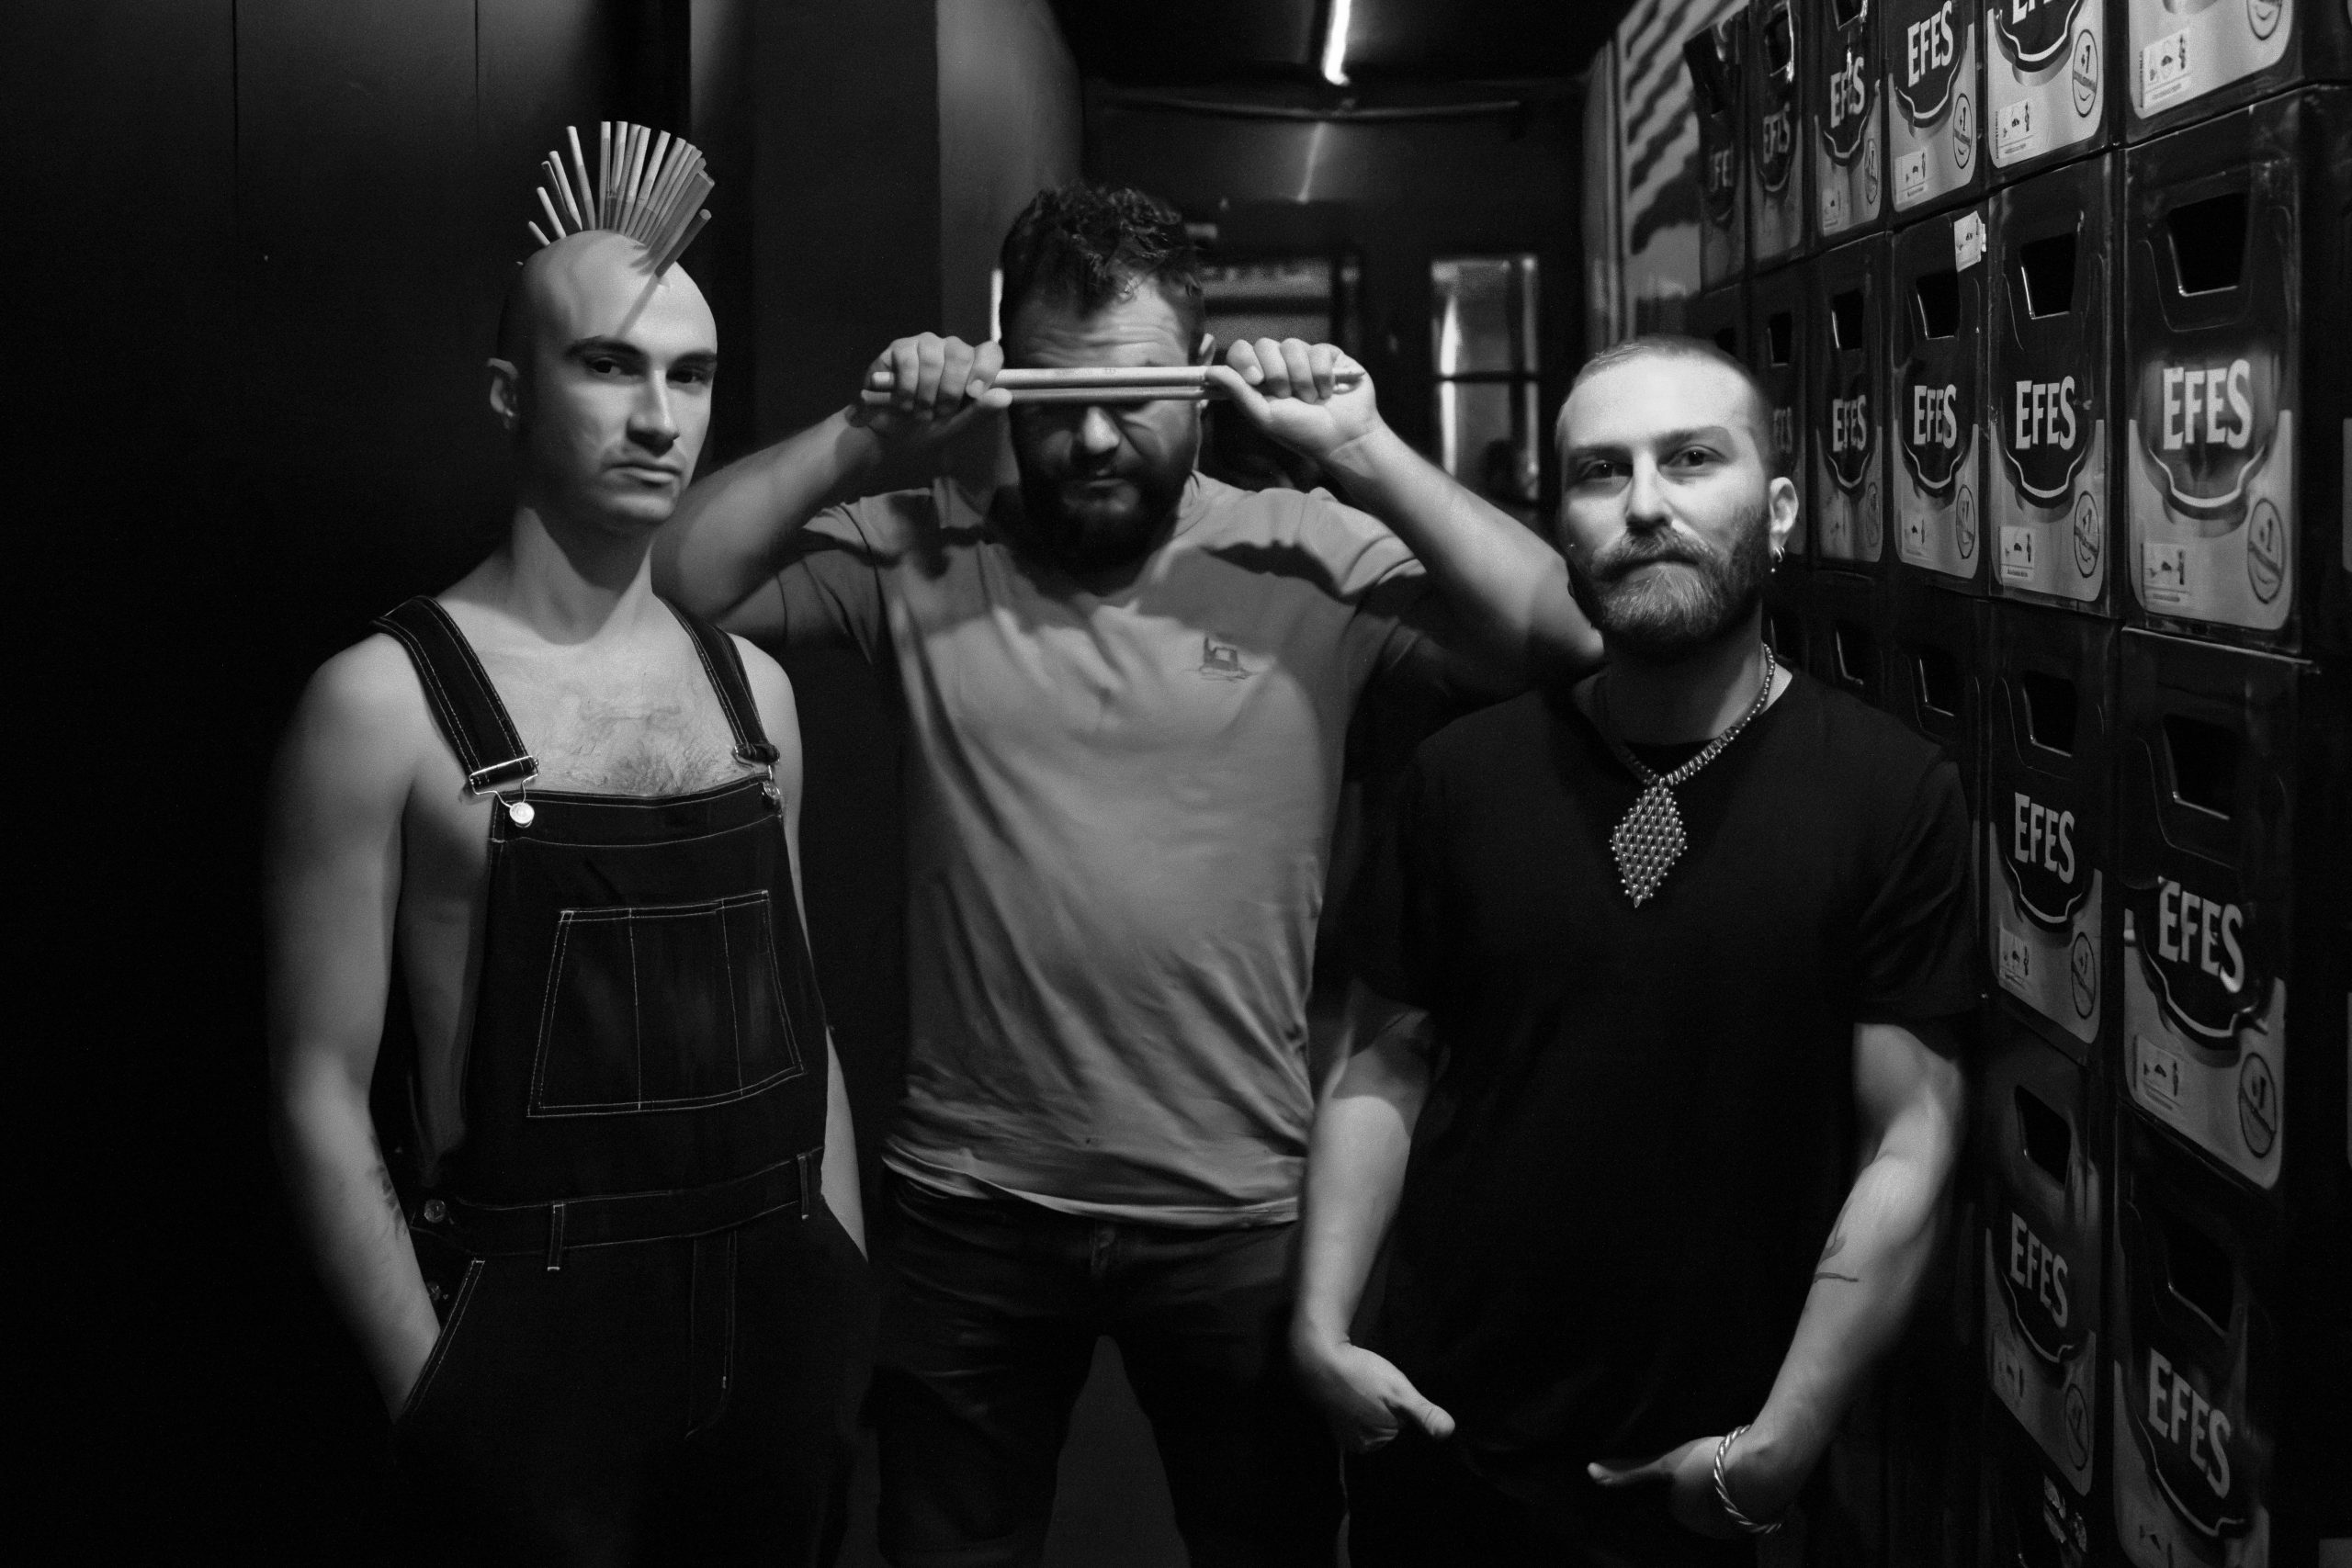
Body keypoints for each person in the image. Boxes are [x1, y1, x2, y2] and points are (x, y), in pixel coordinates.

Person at [655, 182, 1597, 1566]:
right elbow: (678, 581)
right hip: (970, 1203)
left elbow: (1571, 635)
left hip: (1239, 1209)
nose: (1095, 437)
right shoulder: (927, 544)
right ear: (1007, 379)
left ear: (1202, 383)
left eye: (1139, 395)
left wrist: (1364, 450)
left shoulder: (1308, 551)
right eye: (1058, 396)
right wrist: (865, 432)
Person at [1292, 334, 1973, 1565]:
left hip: (1707, 1470)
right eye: (1601, 472)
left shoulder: (1890, 793)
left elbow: (1911, 1141)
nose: (1645, 504)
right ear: (1561, 525)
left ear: (1780, 509)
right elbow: (1388, 1061)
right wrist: (1324, 1326)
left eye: (1691, 460)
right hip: (1450, 1445)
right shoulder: (1461, 777)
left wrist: (1777, 1447)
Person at [266, 225, 873, 1563]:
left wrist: (840, 1279)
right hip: (531, 1367)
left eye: (692, 375)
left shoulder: (757, 700)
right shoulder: (379, 707)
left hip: (779, 1341)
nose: (659, 418)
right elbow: (316, 1088)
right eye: (609, 366)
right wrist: (436, 1394)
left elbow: (805, 1015)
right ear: (509, 393)